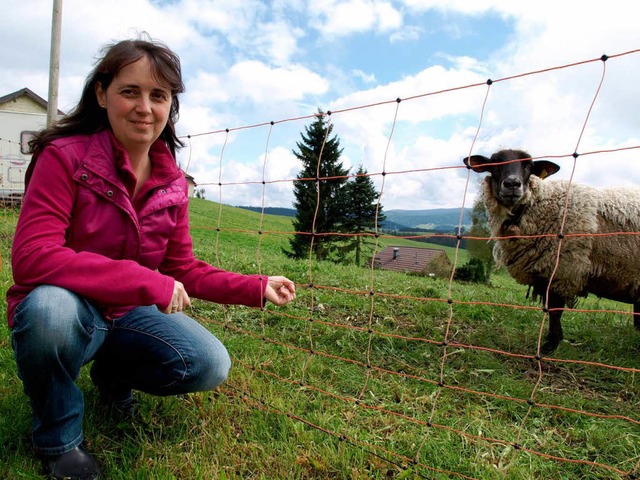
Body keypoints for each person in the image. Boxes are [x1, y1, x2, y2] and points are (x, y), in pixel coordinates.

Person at [7, 36, 296, 480]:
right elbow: (33, 257)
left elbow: (183, 268)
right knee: (49, 311)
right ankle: (59, 441)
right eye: (130, 91)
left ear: (170, 106)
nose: (145, 107)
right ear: (102, 94)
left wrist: (254, 286)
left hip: (125, 314)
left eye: (158, 95)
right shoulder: (63, 158)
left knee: (208, 363)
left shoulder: (172, 182)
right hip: (69, 306)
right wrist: (145, 282)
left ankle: (111, 373)